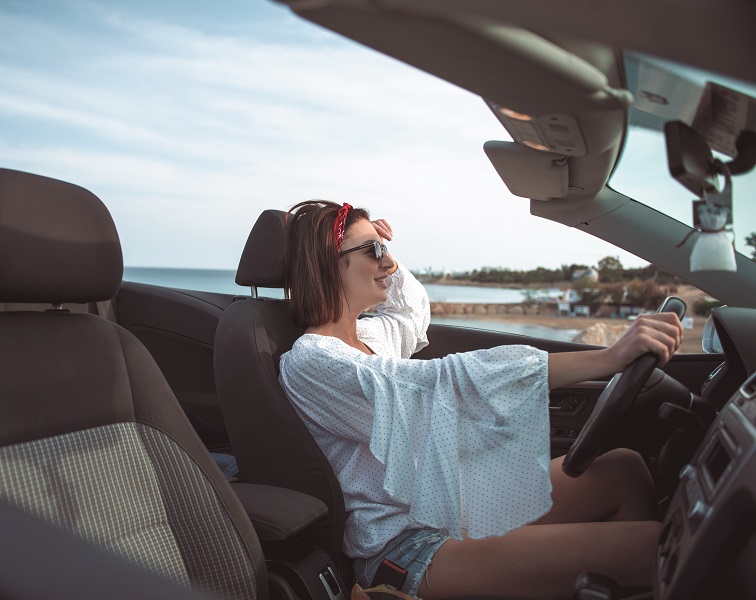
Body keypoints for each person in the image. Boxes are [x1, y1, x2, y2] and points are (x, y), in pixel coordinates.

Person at [278, 200, 683, 600]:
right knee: (659, 547)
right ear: (329, 263)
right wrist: (608, 357)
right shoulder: (313, 360)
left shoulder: (371, 338)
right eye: (373, 251)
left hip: (451, 507)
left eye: (383, 250)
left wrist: (390, 256)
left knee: (623, 468)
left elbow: (413, 315)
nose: (385, 263)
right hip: (408, 545)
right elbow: (438, 385)